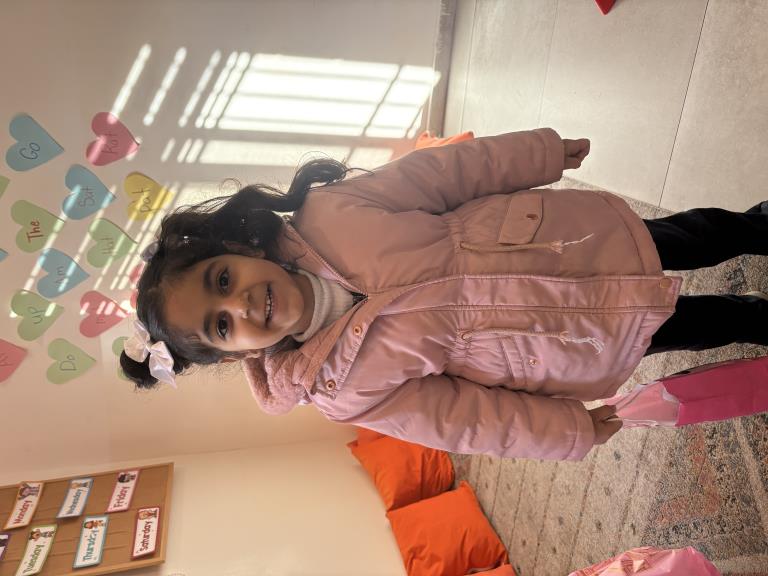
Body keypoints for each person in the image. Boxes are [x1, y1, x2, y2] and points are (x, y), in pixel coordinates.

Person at [120, 128, 768, 460]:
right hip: (560, 340)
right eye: (222, 325)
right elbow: (464, 421)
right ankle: (756, 318)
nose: (239, 304)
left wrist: (536, 153)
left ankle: (756, 227)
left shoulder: (330, 213)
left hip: (560, 241)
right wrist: (564, 430)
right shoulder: (340, 391)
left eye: (222, 281)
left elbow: (440, 174)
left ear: (238, 249)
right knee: (697, 324)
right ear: (238, 354)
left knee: (694, 234)